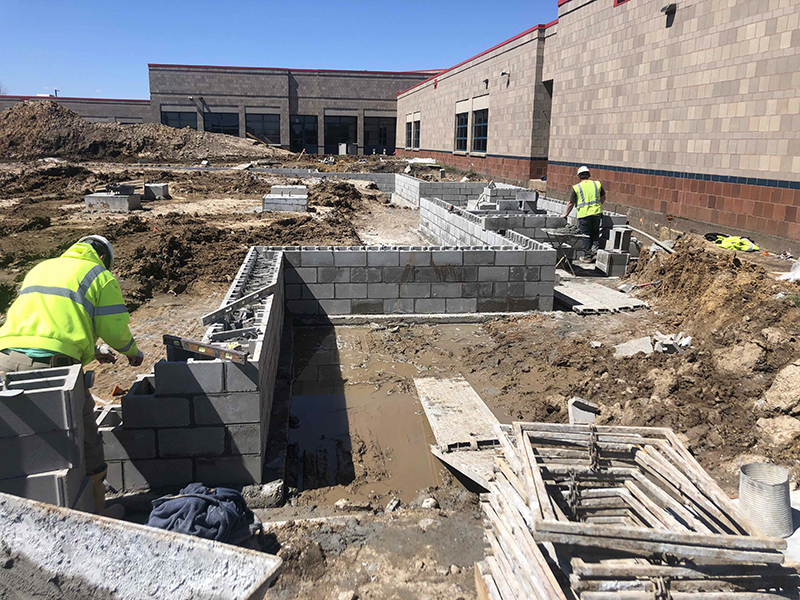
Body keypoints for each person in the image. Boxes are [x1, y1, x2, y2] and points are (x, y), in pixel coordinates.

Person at [0, 235, 143, 516]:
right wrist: (132, 352)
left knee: (14, 440)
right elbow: (114, 326)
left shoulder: (42, 267)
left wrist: (93, 351)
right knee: (83, 437)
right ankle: (96, 515)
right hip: (49, 368)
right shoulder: (99, 276)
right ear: (103, 259)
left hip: (4, 359)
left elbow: (49, 327)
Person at [561, 166, 606, 262]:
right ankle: (595, 251)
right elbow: (603, 197)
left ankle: (587, 256)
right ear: (589, 175)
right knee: (595, 233)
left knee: (586, 235)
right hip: (596, 213)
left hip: (584, 215)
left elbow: (571, 203)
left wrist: (566, 214)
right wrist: (598, 206)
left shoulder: (577, 187)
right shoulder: (596, 184)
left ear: (579, 176)